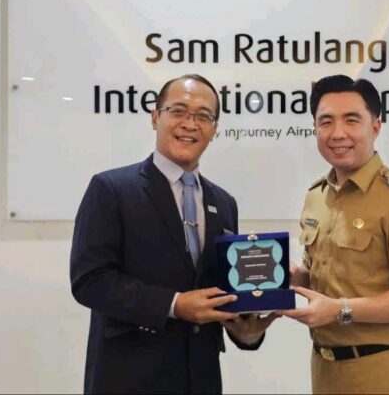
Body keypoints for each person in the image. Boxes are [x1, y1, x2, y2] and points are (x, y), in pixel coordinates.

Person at [70, 74, 278, 394]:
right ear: (155, 117)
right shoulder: (111, 189)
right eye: (178, 111)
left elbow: (222, 289)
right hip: (129, 379)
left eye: (203, 116)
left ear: (214, 129)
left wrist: (245, 332)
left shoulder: (224, 203)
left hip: (201, 378)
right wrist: (174, 304)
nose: (190, 124)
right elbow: (90, 281)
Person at [283, 75, 389, 394]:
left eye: (351, 120)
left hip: (380, 369)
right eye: (326, 121)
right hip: (324, 366)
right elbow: (334, 278)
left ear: (375, 127)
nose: (338, 133)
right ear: (314, 128)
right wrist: (295, 279)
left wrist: (339, 309)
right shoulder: (317, 196)